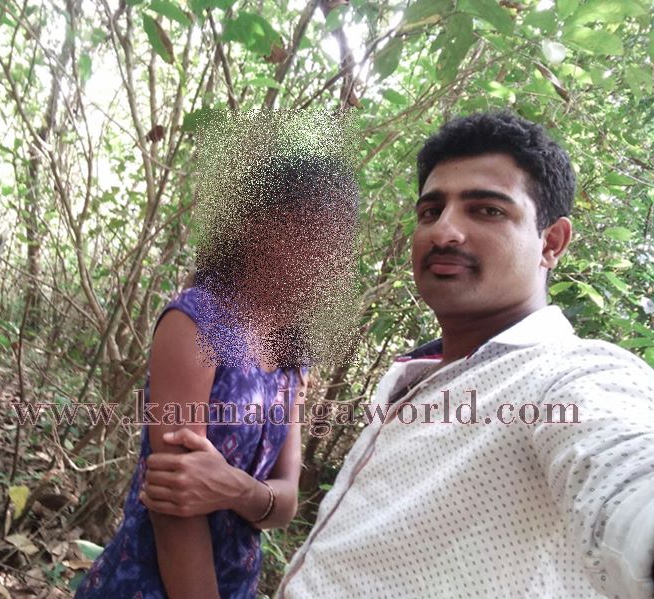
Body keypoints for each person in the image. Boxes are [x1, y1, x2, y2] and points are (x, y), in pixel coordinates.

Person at [157, 112, 654, 598]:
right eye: (430, 212)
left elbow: (624, 472)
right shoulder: (407, 377)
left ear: (552, 242)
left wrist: (237, 491)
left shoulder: (566, 377)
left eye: (487, 210)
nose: (443, 231)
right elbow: (172, 498)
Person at [73, 154, 359, 599]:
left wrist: (237, 489)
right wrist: (254, 496)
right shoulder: (197, 323)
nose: (320, 256)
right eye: (304, 230)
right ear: (252, 227)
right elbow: (173, 506)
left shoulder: (292, 354)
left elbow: (286, 500)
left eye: (332, 241)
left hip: (237, 583)